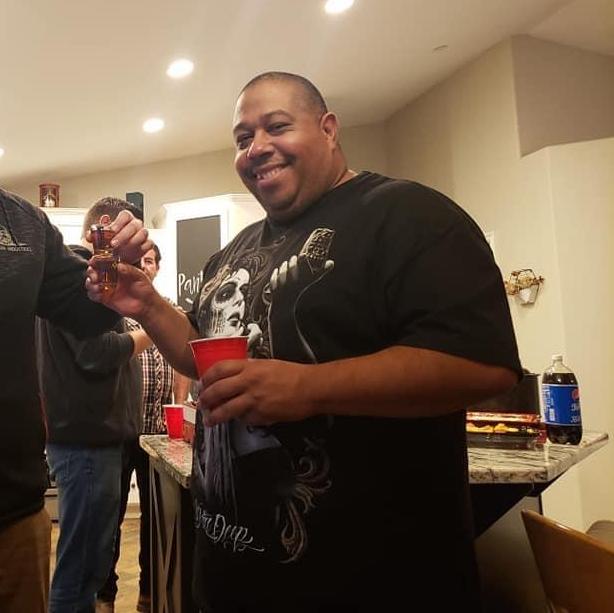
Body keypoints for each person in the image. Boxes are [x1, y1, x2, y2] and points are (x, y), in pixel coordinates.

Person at [86, 72, 522, 612]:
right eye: (243, 137)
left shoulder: (410, 215)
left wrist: (310, 387)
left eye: (276, 127)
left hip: (370, 583)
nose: (256, 147)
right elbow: (200, 357)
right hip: (230, 576)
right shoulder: (233, 251)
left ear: (329, 128)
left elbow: (480, 363)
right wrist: (148, 304)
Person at [0, 188, 150, 613]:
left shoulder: (23, 223)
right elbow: (96, 352)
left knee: (83, 569)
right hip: (81, 441)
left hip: (15, 506)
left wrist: (118, 267)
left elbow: (90, 310)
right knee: (80, 570)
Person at [97, 244, 191, 613]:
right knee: (111, 516)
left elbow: (183, 365)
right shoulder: (116, 312)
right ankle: (105, 593)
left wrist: (179, 405)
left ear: (157, 268)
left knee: (155, 518)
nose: (144, 267)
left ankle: (149, 593)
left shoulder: (170, 311)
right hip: (121, 428)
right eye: (139, 262)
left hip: (158, 430)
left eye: (149, 261)